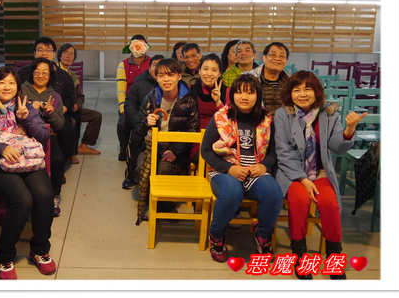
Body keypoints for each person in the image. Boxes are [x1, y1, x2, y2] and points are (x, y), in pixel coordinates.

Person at [274, 70, 366, 280]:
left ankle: (334, 258)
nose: (302, 94)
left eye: (308, 89)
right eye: (297, 90)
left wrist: (349, 130)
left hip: (319, 170)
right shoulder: (283, 114)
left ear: (317, 91)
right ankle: (300, 256)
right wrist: (302, 179)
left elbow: (337, 146)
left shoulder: (329, 113)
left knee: (330, 204)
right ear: (290, 93)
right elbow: (283, 151)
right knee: (299, 201)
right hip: (292, 171)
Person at [0, 66, 55, 280]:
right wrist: (0, 148)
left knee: (44, 196)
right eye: (1, 82)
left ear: (18, 87)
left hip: (29, 162)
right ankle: (5, 257)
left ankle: (40, 250)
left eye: (11, 83)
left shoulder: (25, 107)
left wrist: (26, 119)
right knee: (22, 200)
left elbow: (44, 137)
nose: (7, 87)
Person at [200, 74, 282, 263]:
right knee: (232, 192)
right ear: (232, 95)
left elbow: (273, 152)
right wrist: (229, 169)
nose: (244, 97)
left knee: (273, 193)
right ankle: (216, 235)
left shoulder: (267, 119)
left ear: (258, 95)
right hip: (224, 171)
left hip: (255, 170)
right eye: (239, 92)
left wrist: (264, 166)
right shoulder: (221, 117)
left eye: (250, 92)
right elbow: (206, 151)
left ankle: (262, 234)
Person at [130, 58, 199, 213]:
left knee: (163, 168)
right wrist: (146, 123)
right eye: (161, 75)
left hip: (175, 148)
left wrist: (175, 150)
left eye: (171, 75)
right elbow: (137, 130)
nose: (166, 79)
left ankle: (161, 207)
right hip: (150, 146)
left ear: (179, 76)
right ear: (156, 78)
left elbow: (192, 130)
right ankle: (152, 203)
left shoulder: (188, 100)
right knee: (141, 168)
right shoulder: (150, 98)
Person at [17, 37, 78, 165]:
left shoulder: (64, 76)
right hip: (25, 118)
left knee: (66, 129)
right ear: (34, 53)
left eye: (48, 50)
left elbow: (71, 98)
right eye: (40, 50)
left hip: (57, 111)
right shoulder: (23, 74)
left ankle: (63, 159)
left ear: (54, 54)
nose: (44, 53)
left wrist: (57, 109)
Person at [21, 58, 66, 217]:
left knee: (58, 160)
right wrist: (29, 109)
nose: (41, 76)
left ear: (50, 76)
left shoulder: (55, 96)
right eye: (37, 72)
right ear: (32, 73)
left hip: (46, 136)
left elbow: (59, 124)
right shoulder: (21, 90)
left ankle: (53, 196)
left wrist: (50, 114)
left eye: (45, 73)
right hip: (22, 135)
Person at [121, 54, 164, 189]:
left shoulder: (171, 85)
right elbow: (129, 104)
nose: (157, 68)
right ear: (149, 68)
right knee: (134, 138)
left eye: (161, 65)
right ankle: (131, 175)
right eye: (154, 65)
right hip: (143, 123)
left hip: (163, 126)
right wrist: (138, 122)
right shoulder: (139, 84)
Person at [56, 43, 102, 155]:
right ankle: (69, 152)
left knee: (96, 116)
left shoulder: (72, 75)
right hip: (59, 109)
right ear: (59, 56)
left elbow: (80, 96)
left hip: (72, 109)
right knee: (72, 122)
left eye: (71, 54)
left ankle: (83, 145)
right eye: (66, 53)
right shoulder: (54, 71)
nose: (68, 56)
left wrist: (77, 104)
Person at [116, 34, 151, 161]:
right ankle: (124, 148)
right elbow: (121, 89)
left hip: (148, 103)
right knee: (122, 124)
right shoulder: (123, 65)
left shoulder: (152, 63)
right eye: (136, 45)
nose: (138, 48)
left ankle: (141, 148)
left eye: (141, 45)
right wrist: (123, 108)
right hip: (130, 103)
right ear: (131, 48)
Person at [245, 42, 291, 116]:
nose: (277, 58)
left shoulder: (290, 82)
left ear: (286, 61)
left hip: (284, 122)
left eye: (282, 56)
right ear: (264, 58)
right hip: (256, 121)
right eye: (273, 55)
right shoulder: (249, 78)